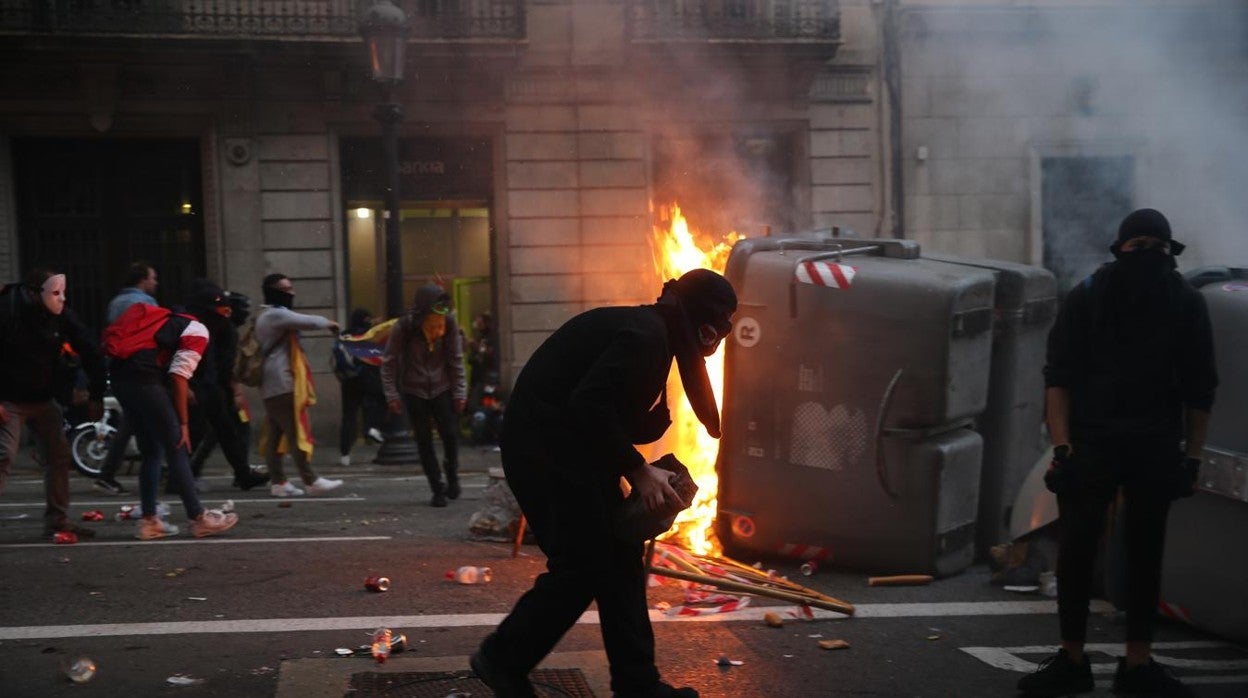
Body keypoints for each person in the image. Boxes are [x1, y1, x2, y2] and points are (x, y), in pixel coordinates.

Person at [471, 269, 737, 698]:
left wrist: (642, 431)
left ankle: (637, 686)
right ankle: (501, 659)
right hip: (545, 453)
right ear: (700, 327)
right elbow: (588, 406)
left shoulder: (652, 331)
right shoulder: (646, 337)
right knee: (584, 565)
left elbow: (600, 408)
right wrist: (637, 470)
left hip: (569, 451)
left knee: (621, 561)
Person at [1018, 208, 1217, 698]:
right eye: (1139, 245)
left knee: (1144, 553)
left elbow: (1200, 388)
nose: (1149, 254)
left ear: (1170, 252)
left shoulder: (1185, 303)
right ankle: (1073, 659)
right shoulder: (1089, 296)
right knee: (1078, 552)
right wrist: (1062, 447)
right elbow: (1058, 378)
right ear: (1121, 249)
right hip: (1094, 442)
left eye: (1158, 246)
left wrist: (1192, 456)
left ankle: (1137, 664)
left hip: (1150, 444)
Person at [104, 299, 239, 539]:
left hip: (121, 379)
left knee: (152, 451)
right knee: (177, 445)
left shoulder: (169, 321)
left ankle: (149, 521)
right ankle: (198, 518)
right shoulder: (199, 330)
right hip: (144, 381)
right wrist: (184, 424)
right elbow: (178, 377)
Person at [0, 269, 106, 540]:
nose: (61, 300)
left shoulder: (59, 315)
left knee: (59, 456)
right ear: (34, 293)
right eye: (55, 293)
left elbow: (89, 348)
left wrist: (95, 394)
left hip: (43, 398)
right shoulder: (7, 310)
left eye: (63, 293)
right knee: (4, 455)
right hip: (9, 399)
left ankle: (57, 520)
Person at [254, 273, 342, 498]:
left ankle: (279, 482)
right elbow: (307, 321)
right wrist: (329, 323)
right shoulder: (275, 315)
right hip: (282, 383)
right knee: (296, 432)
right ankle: (310, 480)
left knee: (276, 434)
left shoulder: (268, 315)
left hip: (273, 384)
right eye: (286, 289)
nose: (291, 292)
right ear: (274, 292)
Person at [381, 284, 467, 507]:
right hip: (414, 389)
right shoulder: (405, 327)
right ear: (422, 317)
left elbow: (455, 359)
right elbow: (389, 362)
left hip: (442, 387)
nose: (438, 330)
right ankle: (437, 488)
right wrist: (392, 395)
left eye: (441, 324)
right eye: (433, 324)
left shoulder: (449, 323)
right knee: (424, 440)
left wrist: (459, 392)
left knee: (449, 434)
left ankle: (452, 475)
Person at [182, 280, 269, 491]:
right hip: (206, 386)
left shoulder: (208, 326)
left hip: (210, 386)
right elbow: (220, 363)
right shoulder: (210, 328)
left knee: (222, 431)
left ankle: (240, 473)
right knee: (205, 432)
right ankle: (182, 475)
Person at [94, 261, 160, 495]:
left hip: (121, 368)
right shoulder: (144, 303)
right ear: (142, 280)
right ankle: (165, 471)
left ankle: (108, 474)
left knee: (131, 421)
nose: (156, 282)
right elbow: (154, 336)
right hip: (141, 370)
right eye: (153, 278)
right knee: (159, 420)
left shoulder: (116, 302)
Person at [336, 308, 386, 467]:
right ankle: (371, 429)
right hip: (369, 377)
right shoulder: (369, 334)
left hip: (349, 380)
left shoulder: (344, 335)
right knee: (381, 401)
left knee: (349, 416)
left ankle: (345, 454)